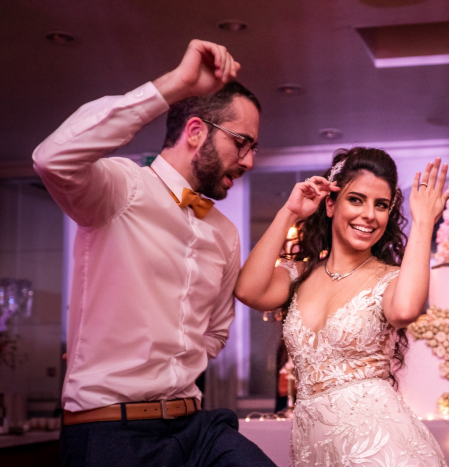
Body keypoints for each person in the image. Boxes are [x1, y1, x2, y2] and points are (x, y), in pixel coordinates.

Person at [33, 40, 275, 466]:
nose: (249, 161)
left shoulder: (225, 233)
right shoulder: (121, 188)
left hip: (196, 428)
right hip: (110, 431)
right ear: (196, 131)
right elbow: (52, 159)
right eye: (242, 142)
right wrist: (175, 85)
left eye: (253, 147)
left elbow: (216, 332)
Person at [235, 148, 449, 466]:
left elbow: (405, 311)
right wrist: (289, 213)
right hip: (315, 449)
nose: (369, 215)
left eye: (381, 205)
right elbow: (247, 290)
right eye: (357, 199)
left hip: (382, 448)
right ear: (331, 203)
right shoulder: (299, 274)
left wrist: (423, 224)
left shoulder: (391, 278)